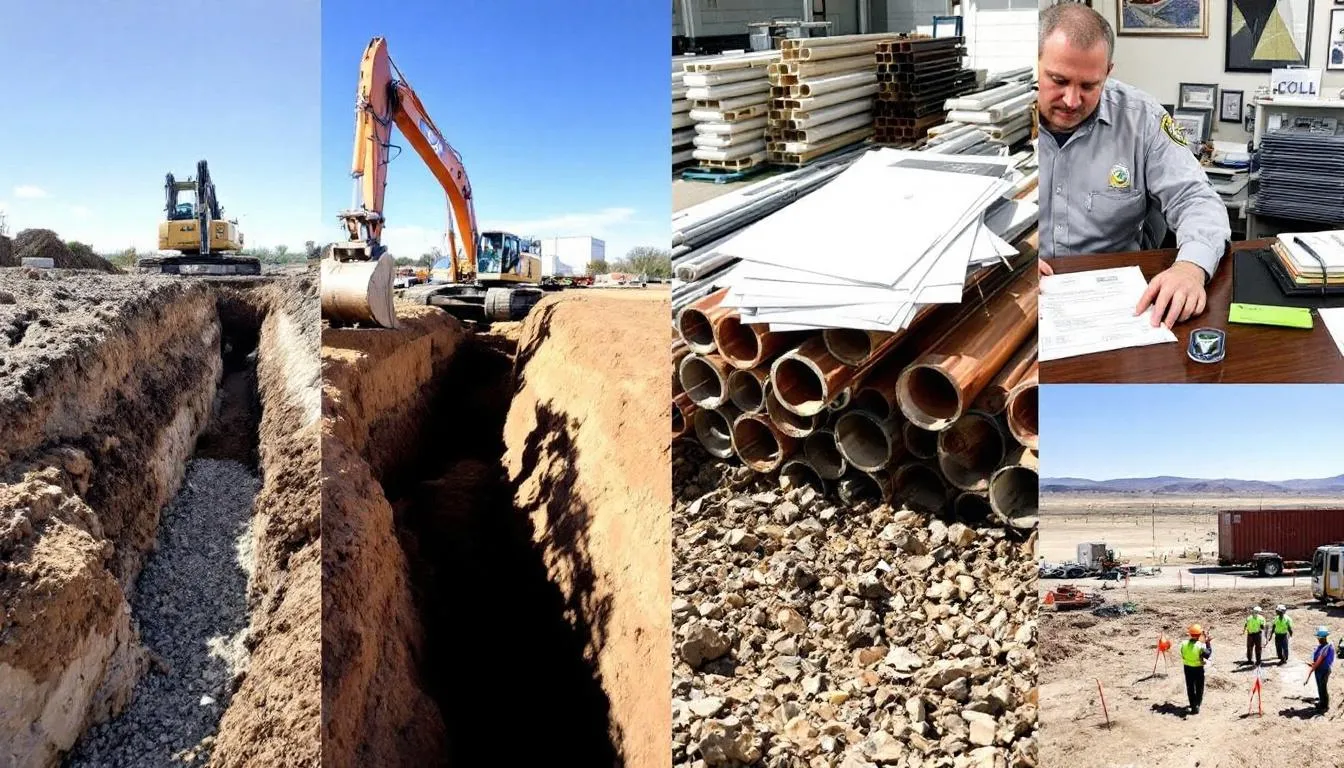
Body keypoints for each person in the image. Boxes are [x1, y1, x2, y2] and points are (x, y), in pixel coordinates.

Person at [1036, 4, 1231, 330]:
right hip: (1023, 301)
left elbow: (1196, 198)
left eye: (1088, 86)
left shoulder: (1143, 118)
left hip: (1115, 303)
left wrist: (1190, 267)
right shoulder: (997, 121)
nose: (1071, 100)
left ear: (1108, 72)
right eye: (1058, 80)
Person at [1180, 623, 1213, 714]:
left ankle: (1192, 704)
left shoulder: (1183, 644)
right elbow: (1208, 654)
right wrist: (1208, 642)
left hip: (1187, 668)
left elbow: (1182, 654)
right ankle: (1197, 704)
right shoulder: (1200, 645)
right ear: (1199, 635)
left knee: (1190, 687)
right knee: (1199, 687)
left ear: (1190, 634)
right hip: (1198, 669)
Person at [1311, 626, 1334, 713]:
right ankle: (1321, 702)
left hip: (1323, 670)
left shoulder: (1327, 647)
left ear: (1323, 638)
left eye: (1319, 638)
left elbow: (1321, 660)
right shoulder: (1321, 646)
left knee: (1323, 688)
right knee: (1320, 687)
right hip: (1319, 669)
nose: (1318, 639)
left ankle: (1324, 706)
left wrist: (1314, 665)